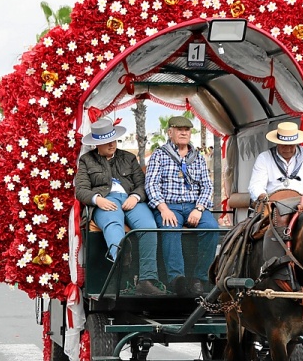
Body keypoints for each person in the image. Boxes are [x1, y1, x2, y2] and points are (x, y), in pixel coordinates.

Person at [75, 118, 164, 296]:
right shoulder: (86, 160)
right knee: (113, 224)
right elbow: (81, 190)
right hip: (105, 199)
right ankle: (121, 272)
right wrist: (97, 199)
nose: (111, 145)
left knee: (149, 227)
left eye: (113, 140)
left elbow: (142, 184)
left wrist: (136, 196)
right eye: (106, 142)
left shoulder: (128, 158)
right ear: (97, 144)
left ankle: (147, 279)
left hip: (130, 199)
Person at [146, 115, 218, 297]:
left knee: (212, 228)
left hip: (194, 205)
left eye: (187, 130)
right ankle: (176, 278)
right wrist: (163, 208)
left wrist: (200, 208)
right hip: (170, 205)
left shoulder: (198, 157)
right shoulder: (160, 155)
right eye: (179, 130)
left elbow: (207, 186)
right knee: (169, 227)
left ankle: (200, 278)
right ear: (170, 132)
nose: (184, 133)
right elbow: (151, 184)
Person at [248, 121, 303, 202]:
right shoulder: (264, 158)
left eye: (291, 145)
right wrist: (262, 195)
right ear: (277, 143)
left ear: (296, 143)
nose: (287, 149)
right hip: (274, 203)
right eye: (283, 145)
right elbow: (256, 185)